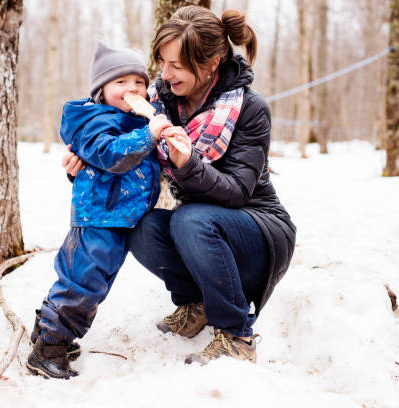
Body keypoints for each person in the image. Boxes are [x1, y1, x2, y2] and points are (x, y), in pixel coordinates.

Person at [64, 6, 296, 366]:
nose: (164, 74)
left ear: (212, 63)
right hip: (203, 231)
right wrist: (81, 166)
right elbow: (119, 155)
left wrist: (187, 165)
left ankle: (236, 334)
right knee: (141, 224)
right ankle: (197, 304)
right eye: (162, 62)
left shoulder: (249, 109)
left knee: (191, 219)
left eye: (177, 66)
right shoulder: (159, 101)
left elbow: (238, 191)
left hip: (257, 233)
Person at [27, 40, 172, 380]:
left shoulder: (131, 119)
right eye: (120, 83)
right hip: (98, 219)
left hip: (118, 218)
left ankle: (49, 331)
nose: (132, 89)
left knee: (95, 282)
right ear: (101, 90)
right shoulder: (94, 119)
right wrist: (148, 136)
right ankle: (48, 347)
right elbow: (108, 154)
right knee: (83, 282)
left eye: (138, 82)